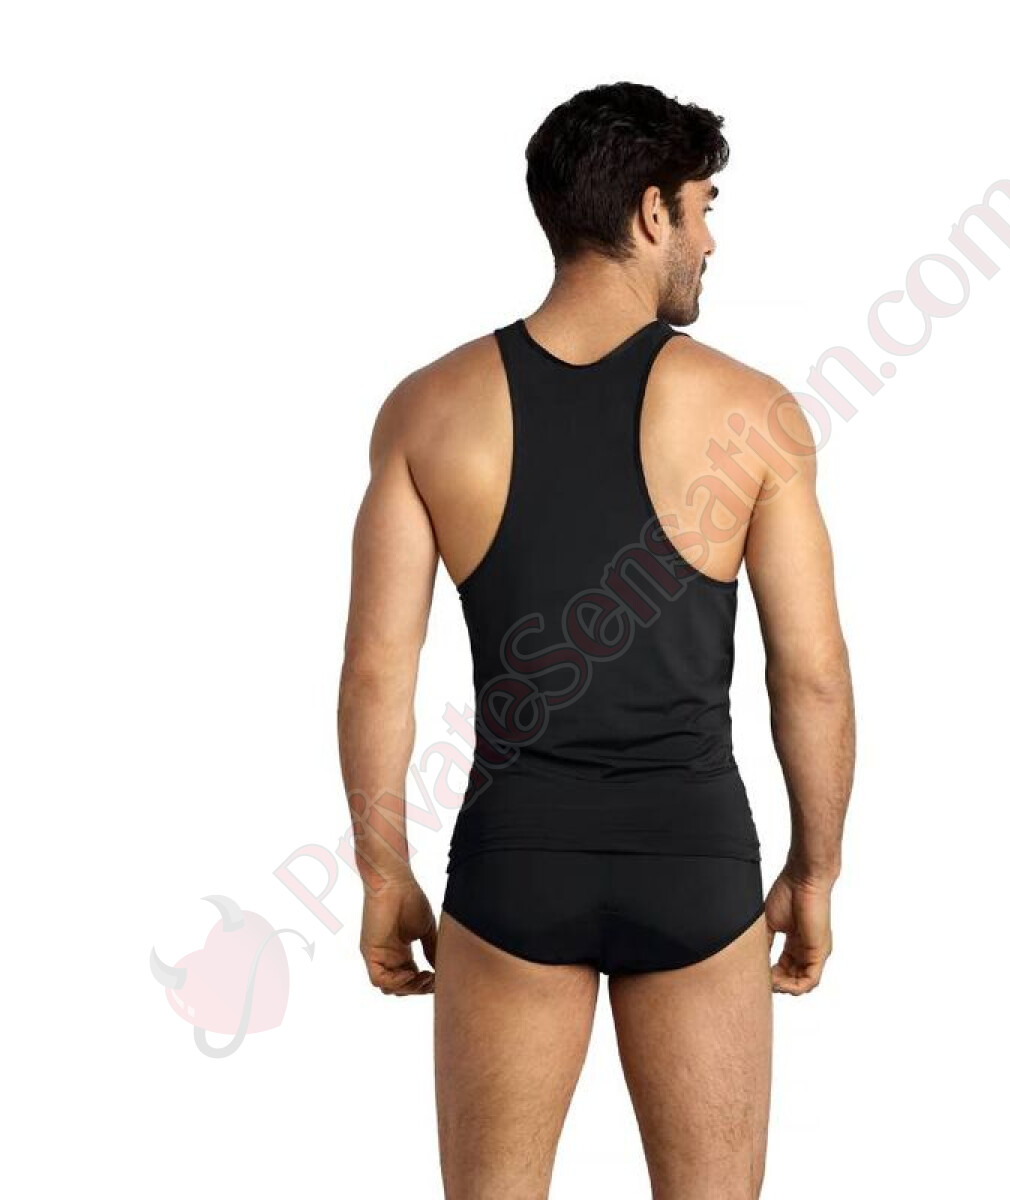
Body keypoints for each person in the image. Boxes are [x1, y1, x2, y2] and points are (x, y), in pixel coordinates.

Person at [337, 81, 855, 1200]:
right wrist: (814, 871)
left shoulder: (428, 409)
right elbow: (810, 676)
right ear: (652, 212)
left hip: (513, 862)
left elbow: (378, 673)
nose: (710, 241)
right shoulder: (755, 414)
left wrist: (383, 874)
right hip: (695, 860)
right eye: (703, 210)